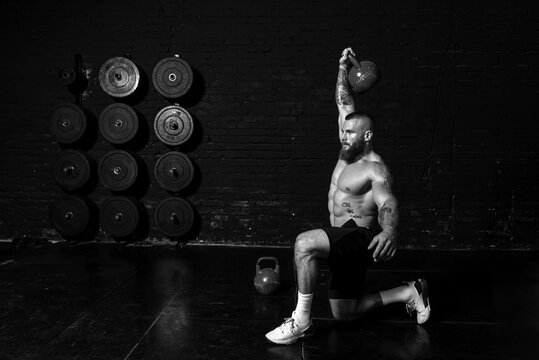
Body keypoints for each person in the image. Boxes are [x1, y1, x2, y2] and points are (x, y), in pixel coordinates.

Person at [265, 47, 431, 345]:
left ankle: (301, 321)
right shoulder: (346, 152)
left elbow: (388, 201)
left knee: (305, 244)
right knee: (346, 313)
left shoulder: (374, 168)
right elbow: (343, 101)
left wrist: (390, 229)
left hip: (360, 235)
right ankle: (409, 291)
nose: (344, 135)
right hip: (342, 240)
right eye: (344, 130)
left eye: (351, 132)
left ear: (366, 136)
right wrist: (342, 68)